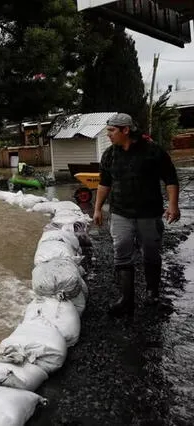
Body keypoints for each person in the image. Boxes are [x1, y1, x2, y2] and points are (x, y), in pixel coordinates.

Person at [93, 113, 180, 317]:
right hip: (121, 212)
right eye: (108, 131)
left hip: (148, 213)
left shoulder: (153, 152)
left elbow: (170, 178)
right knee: (121, 250)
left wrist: (173, 205)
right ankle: (127, 299)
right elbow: (104, 184)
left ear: (126, 130)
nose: (108, 135)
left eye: (112, 131)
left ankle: (152, 293)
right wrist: (97, 208)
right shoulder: (109, 155)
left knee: (150, 252)